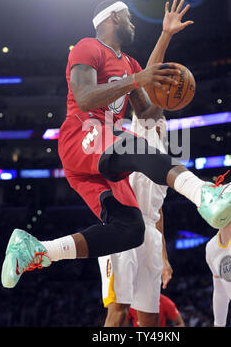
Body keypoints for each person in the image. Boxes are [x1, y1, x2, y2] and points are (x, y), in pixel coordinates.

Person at [2, 0, 231, 289]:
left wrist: (166, 75)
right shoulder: (87, 47)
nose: (133, 22)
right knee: (137, 145)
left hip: (100, 157)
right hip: (81, 136)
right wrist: (136, 80)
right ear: (112, 18)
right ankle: (205, 193)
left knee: (130, 230)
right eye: (129, 17)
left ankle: (37, 250)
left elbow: (145, 109)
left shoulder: (129, 63)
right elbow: (85, 97)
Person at [98, 113, 171, 327]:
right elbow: (144, 106)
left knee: (150, 318)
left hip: (150, 232)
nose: (158, 125)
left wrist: (164, 258)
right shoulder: (131, 140)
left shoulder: (163, 158)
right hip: (123, 226)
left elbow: (158, 212)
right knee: (119, 311)